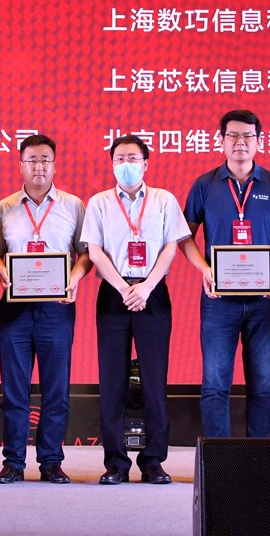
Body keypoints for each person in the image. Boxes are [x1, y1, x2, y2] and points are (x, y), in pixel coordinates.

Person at [180, 109, 270, 438]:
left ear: (259, 141)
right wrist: (204, 269)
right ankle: (219, 458)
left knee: (262, 383)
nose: (240, 142)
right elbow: (185, 236)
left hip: (264, 299)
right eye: (232, 135)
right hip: (219, 300)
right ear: (221, 141)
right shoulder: (205, 184)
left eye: (248, 135)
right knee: (215, 383)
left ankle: (256, 457)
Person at [82, 134, 191, 485]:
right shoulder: (99, 202)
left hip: (152, 292)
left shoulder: (164, 200)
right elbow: (95, 251)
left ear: (145, 163)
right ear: (112, 164)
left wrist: (145, 287)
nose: (125, 164)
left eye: (132, 158)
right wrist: (124, 288)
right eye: (119, 159)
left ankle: (153, 460)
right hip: (113, 293)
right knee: (112, 381)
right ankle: (115, 462)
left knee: (154, 381)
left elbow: (171, 247)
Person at [0, 134, 92, 484]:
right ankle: (13, 462)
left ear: (55, 165)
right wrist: (1, 270)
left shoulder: (73, 206)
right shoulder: (4, 207)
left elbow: (86, 253)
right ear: (21, 165)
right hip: (14, 311)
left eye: (45, 159)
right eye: (32, 159)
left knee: (56, 390)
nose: (39, 166)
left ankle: (51, 461)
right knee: (14, 391)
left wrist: (74, 278)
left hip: (56, 309)